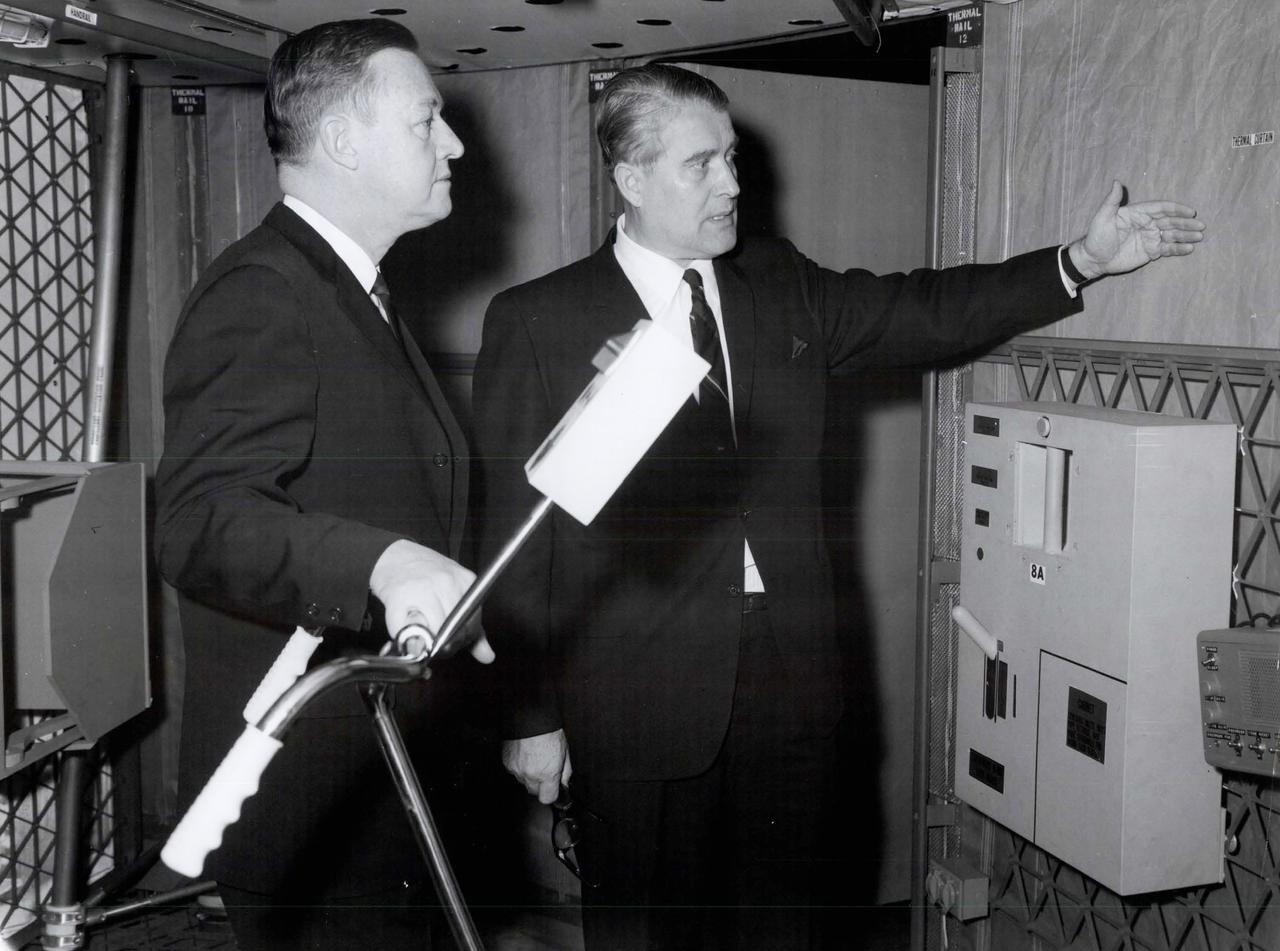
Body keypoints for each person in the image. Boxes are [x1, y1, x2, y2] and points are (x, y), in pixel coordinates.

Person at [470, 63, 1205, 951]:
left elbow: (922, 309)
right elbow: (513, 537)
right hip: (636, 701)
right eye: (701, 165)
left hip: (791, 686)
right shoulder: (538, 321)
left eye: (731, 159)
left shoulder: (779, 282)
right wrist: (530, 714)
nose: (731, 184)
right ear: (630, 178)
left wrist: (1078, 262)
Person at [154, 18, 492, 951]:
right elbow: (198, 519)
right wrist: (382, 562)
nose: (455, 143)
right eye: (427, 120)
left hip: (378, 777)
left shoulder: (353, 290)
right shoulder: (263, 292)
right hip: (313, 798)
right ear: (343, 141)